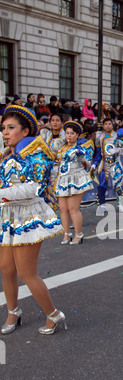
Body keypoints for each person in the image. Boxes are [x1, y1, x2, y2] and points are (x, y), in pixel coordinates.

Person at [0, 104, 65, 335]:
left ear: (25, 131)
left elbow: (34, 188)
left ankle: (54, 315)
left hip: (29, 215)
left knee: (26, 273)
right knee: (6, 268)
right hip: (8, 216)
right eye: (3, 128)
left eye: (11, 127)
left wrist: (1, 194)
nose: (5, 132)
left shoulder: (37, 152)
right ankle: (13, 311)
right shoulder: (7, 154)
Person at [55, 121, 94, 245]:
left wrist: (82, 157)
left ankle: (79, 234)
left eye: (72, 133)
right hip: (63, 179)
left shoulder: (80, 148)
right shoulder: (61, 147)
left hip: (76, 179)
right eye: (67, 133)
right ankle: (66, 234)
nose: (69, 136)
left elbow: (88, 165)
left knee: (73, 209)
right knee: (63, 209)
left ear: (77, 135)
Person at [92, 119, 123, 214]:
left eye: (109, 124)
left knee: (118, 185)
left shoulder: (118, 136)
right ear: (103, 126)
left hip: (115, 163)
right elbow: (98, 152)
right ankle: (102, 205)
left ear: (112, 125)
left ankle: (121, 203)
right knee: (101, 185)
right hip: (104, 164)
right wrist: (95, 163)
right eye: (106, 124)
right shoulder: (100, 137)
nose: (108, 126)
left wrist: (117, 150)